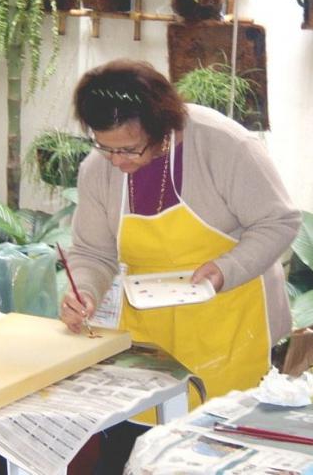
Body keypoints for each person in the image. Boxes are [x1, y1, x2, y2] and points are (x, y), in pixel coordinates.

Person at [60, 59, 300, 472]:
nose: (117, 160)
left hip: (231, 328)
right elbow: (93, 253)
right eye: (105, 146)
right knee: (137, 451)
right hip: (149, 341)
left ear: (161, 126)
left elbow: (279, 221)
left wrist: (228, 267)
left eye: (129, 149)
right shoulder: (98, 170)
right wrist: (85, 291)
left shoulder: (223, 145)